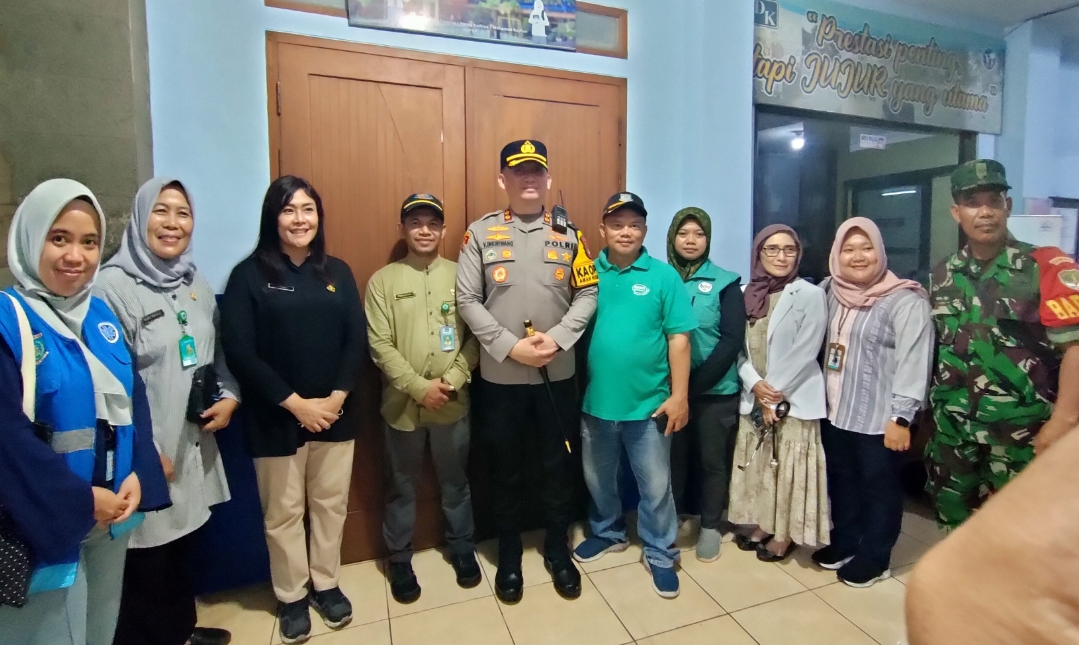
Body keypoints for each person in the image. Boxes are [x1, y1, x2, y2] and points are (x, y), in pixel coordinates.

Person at [0, 179, 169, 645]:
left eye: (89, 242)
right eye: (59, 239)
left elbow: (133, 400)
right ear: (31, 238)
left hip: (112, 517)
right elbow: (8, 439)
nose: (76, 256)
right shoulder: (9, 322)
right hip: (47, 521)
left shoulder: (99, 316)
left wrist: (139, 471)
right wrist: (80, 501)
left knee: (100, 632)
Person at [220, 176, 366, 644]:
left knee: (330, 506)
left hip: (335, 414)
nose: (300, 219)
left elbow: (356, 340)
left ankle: (326, 584)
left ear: (318, 217)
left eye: (307, 209)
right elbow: (240, 352)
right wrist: (297, 404)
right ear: (273, 217)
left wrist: (336, 399)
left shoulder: (337, 272)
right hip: (275, 416)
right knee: (282, 514)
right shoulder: (248, 276)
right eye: (289, 210)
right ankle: (291, 595)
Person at [95, 178, 238, 645]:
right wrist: (144, 454)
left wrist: (230, 396)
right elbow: (108, 386)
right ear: (140, 218)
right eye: (161, 211)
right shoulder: (111, 288)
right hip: (148, 454)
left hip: (192, 444)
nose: (173, 223)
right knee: (145, 560)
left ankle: (182, 632)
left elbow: (217, 354)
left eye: (183, 212)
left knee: (183, 549)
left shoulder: (195, 282)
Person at [456, 140, 597, 604]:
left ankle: (558, 551)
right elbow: (467, 299)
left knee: (558, 467)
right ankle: (510, 557)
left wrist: (557, 339)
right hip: (501, 379)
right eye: (519, 171)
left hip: (558, 374)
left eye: (537, 170)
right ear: (503, 179)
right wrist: (510, 346)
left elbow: (587, 294)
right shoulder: (481, 233)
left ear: (548, 178)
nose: (529, 178)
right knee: (505, 472)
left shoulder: (570, 234)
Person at [926, 160, 1079, 531]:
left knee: (1023, 535)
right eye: (972, 203)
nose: (985, 212)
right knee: (955, 525)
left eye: (993, 201)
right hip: (954, 433)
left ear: (1007, 206)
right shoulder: (944, 272)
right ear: (956, 212)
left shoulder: (1046, 266)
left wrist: (1063, 421)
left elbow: (1075, 349)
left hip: (1021, 436)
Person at [572, 192, 696, 598]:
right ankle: (608, 532)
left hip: (650, 407)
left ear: (645, 230)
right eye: (617, 224)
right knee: (598, 479)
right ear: (602, 229)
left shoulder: (663, 276)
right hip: (595, 404)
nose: (626, 232)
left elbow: (679, 339)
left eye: (634, 225)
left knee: (656, 487)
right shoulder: (587, 273)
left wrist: (680, 396)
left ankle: (660, 551)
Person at [365, 194, 481, 604]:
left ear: (444, 230)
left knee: (456, 483)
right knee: (400, 487)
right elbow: (380, 345)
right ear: (402, 229)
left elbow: (476, 337)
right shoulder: (383, 281)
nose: (425, 230)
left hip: (453, 402)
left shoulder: (463, 275)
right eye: (415, 222)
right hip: (402, 407)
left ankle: (462, 548)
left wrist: (451, 380)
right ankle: (399, 559)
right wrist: (418, 388)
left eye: (433, 223)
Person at [814, 218, 933, 588]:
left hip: (880, 419)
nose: (858, 257)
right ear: (836, 254)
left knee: (879, 488)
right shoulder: (829, 291)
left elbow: (915, 362)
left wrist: (902, 417)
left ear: (880, 252)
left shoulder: (905, 301)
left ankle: (876, 557)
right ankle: (846, 540)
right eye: (848, 249)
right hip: (835, 411)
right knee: (842, 481)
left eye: (866, 248)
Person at [906, 426, 1078, 645]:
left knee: (1017, 519)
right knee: (950, 502)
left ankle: (1000, 603)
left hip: (1019, 428)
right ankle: (965, 595)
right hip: (953, 422)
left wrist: (1064, 417)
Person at [728, 225, 829, 562]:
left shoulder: (810, 294)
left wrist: (772, 395)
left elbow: (806, 350)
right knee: (763, 469)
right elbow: (737, 348)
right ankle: (764, 524)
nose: (781, 256)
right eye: (771, 249)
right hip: (755, 395)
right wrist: (754, 384)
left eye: (789, 249)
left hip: (793, 400)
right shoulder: (745, 293)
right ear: (758, 254)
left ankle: (784, 535)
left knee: (787, 470)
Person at [665, 207, 745, 562]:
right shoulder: (662, 278)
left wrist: (690, 387)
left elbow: (730, 341)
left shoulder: (726, 282)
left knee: (712, 462)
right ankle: (675, 519)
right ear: (672, 238)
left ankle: (711, 525)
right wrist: (677, 390)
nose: (691, 240)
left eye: (699, 234)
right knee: (674, 461)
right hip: (670, 393)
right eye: (683, 233)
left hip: (714, 393)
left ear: (708, 239)